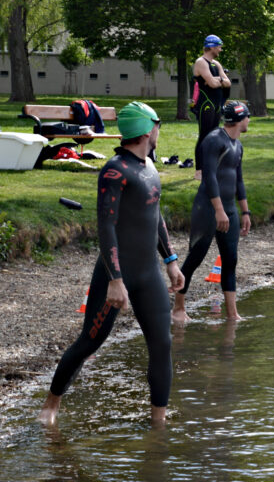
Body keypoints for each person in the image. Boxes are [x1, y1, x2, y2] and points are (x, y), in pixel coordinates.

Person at [40, 102, 184, 428]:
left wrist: (171, 261)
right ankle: (51, 402)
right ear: (148, 129)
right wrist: (115, 280)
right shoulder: (114, 171)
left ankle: (157, 425)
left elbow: (155, 216)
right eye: (158, 124)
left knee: (162, 345)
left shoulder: (149, 166)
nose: (160, 130)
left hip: (149, 274)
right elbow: (106, 227)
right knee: (90, 341)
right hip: (117, 273)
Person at [174, 101, 252, 324]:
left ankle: (232, 314)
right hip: (208, 208)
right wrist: (218, 210)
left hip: (229, 209)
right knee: (195, 258)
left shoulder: (237, 145)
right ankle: (178, 308)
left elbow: (239, 180)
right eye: (247, 116)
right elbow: (209, 177)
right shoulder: (213, 140)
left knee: (231, 260)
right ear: (239, 119)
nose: (249, 121)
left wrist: (245, 212)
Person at [192, 34, 231, 181]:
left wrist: (218, 79)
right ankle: (199, 170)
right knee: (204, 136)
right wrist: (218, 81)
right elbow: (213, 84)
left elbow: (227, 83)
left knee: (214, 137)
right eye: (219, 47)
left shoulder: (216, 64)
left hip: (216, 104)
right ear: (212, 47)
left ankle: (211, 167)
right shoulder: (201, 62)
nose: (220, 49)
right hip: (205, 105)